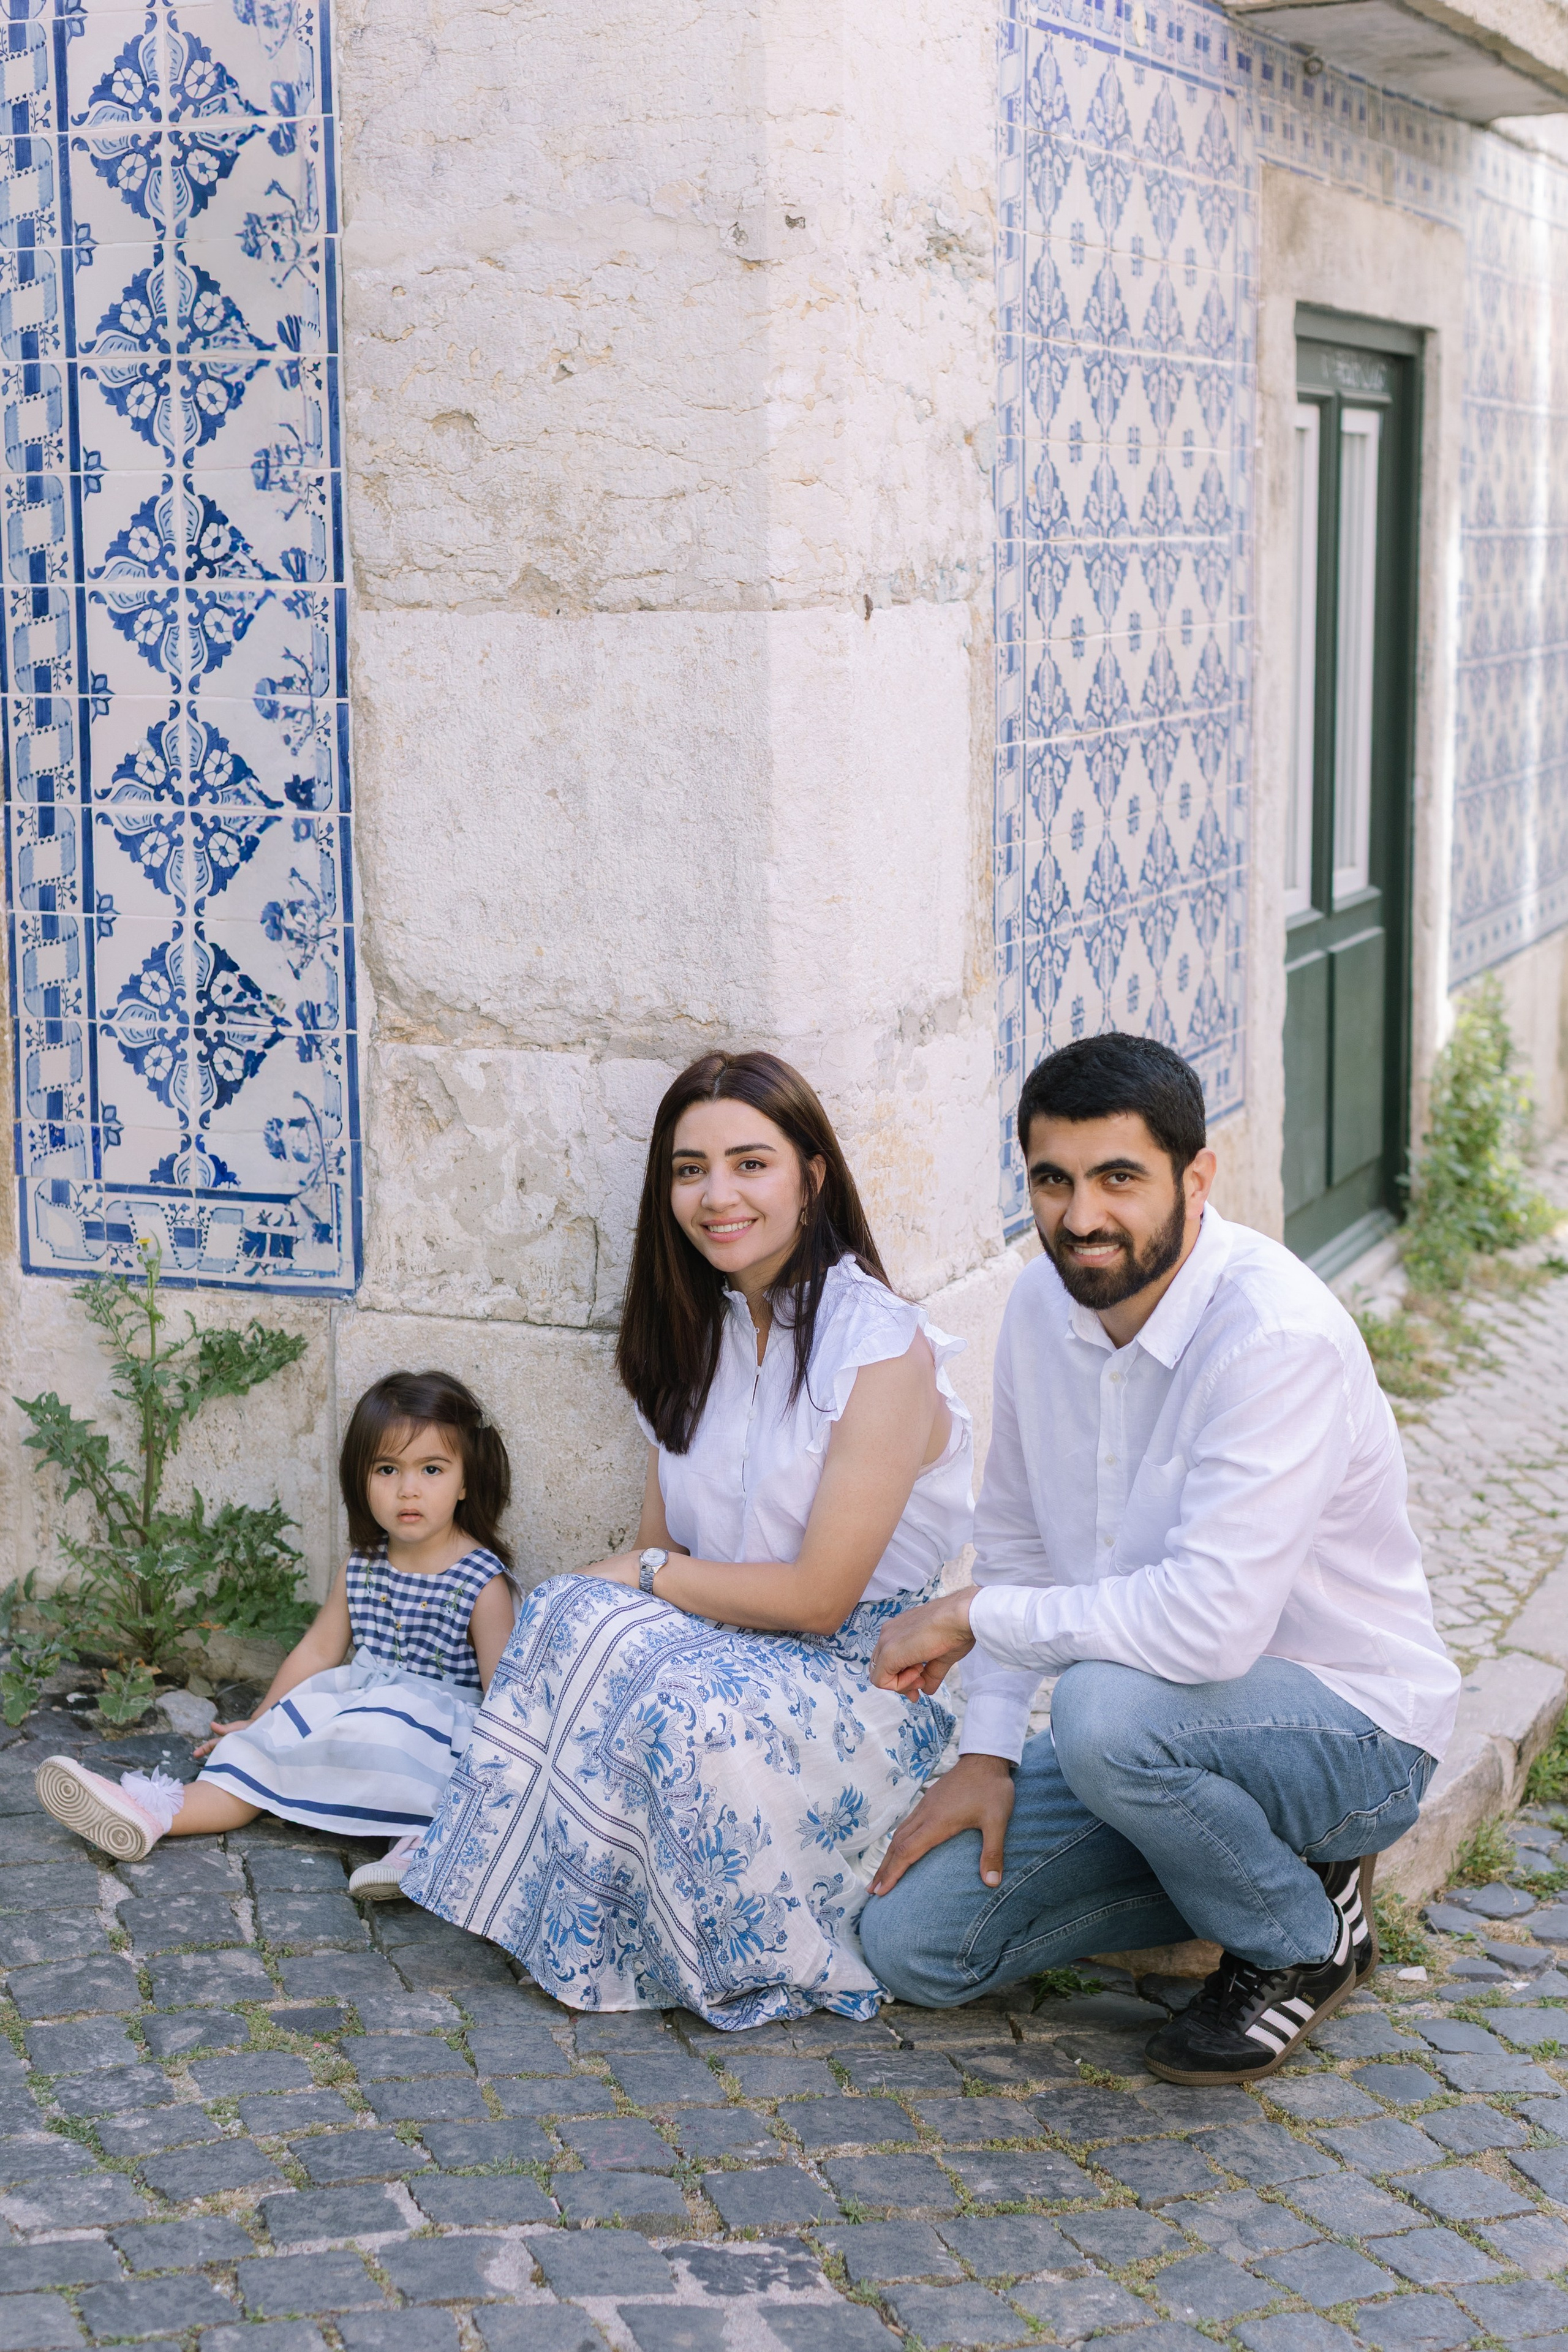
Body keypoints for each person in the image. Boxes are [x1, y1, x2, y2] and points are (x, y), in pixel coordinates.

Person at [858, 1031, 1459, 2084]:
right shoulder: (1042, 1305)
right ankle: (1259, 1866)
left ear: (1197, 1178)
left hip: (1351, 1732)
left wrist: (968, 1616)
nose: (1081, 1216)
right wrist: (988, 1755)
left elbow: (1206, 1629)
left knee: (1101, 1712)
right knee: (918, 1944)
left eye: (1119, 1179)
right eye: (1052, 1180)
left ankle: (1299, 1941)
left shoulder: (1275, 1336)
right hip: (1159, 1739)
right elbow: (1018, 1544)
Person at [403, 1050, 973, 2027]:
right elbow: (663, 1554)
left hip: (868, 1672)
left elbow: (817, 1599)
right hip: (727, 1643)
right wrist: (633, 1582)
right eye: (690, 1169)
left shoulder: (879, 1346)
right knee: (569, 1614)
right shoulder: (693, 1333)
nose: (718, 1196)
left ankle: (723, 1946)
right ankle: (513, 1881)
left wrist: (647, 1573)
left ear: (812, 1177)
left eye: (751, 1164)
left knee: (661, 1685)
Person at [35, 1370, 518, 1879]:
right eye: (387, 1469)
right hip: (360, 1710)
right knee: (261, 1752)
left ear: (466, 1481)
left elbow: (505, 1699)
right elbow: (319, 1650)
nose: (408, 1490)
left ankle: (423, 1849)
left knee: (407, 1755)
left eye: (432, 1469)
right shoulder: (364, 1563)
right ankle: (155, 1811)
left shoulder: (481, 1581)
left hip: (433, 1734)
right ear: (361, 1478)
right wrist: (261, 1719)